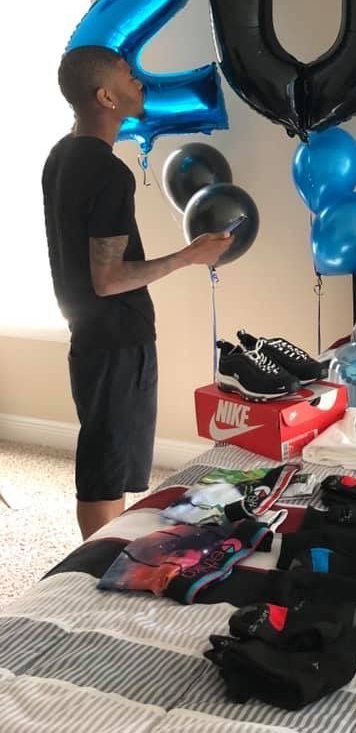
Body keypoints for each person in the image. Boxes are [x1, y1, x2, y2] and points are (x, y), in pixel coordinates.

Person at [42, 45, 233, 540]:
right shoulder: (108, 172)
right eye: (129, 76)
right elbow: (108, 280)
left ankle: (101, 556)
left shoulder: (61, 156)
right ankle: (89, 573)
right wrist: (189, 255)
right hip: (116, 341)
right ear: (105, 95)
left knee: (109, 462)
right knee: (104, 475)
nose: (140, 81)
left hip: (90, 337)